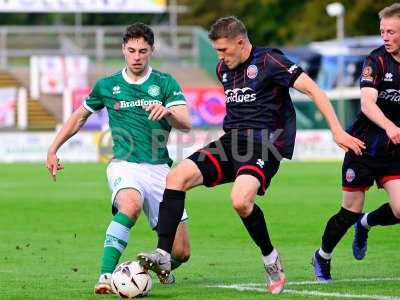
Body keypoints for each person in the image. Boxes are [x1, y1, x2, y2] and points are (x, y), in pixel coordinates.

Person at [136, 16, 364, 294]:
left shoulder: (270, 61)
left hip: (265, 145)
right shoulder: (224, 69)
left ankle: (270, 257)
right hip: (231, 143)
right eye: (217, 50)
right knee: (176, 177)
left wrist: (337, 130)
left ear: (241, 42)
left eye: (223, 50)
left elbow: (314, 89)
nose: (219, 56)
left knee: (241, 201)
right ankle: (162, 253)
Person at [46, 23, 192, 294]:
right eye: (132, 50)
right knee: (130, 205)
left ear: (151, 51)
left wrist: (167, 112)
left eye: (143, 51)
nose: (137, 56)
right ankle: (105, 275)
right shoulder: (107, 85)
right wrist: (53, 148)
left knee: (181, 252)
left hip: (161, 170)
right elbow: (80, 116)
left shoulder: (164, 82)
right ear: (123, 49)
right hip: (125, 165)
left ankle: (147, 268)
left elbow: (185, 123)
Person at [312, 3, 400, 282]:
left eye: (391, 32)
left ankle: (366, 224)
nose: (385, 37)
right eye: (382, 31)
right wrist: (389, 126)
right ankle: (322, 256)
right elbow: (366, 103)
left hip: (392, 151)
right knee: (350, 209)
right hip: (362, 146)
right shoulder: (376, 61)